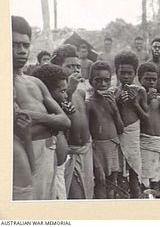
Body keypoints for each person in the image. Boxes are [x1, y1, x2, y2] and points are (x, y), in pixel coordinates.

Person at [12, 15, 70, 200]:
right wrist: (51, 122)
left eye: (25, 45)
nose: (21, 50)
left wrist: (36, 117)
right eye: (14, 45)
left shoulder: (35, 82)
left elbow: (65, 121)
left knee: (48, 202)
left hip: (48, 151)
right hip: (23, 155)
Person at [51, 44, 94, 199]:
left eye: (78, 66)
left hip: (86, 149)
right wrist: (68, 91)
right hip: (69, 152)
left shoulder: (81, 92)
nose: (76, 70)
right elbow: (63, 121)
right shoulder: (54, 93)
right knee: (75, 196)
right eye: (70, 66)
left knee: (87, 193)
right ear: (58, 67)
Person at [32, 64, 74, 199]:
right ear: (46, 93)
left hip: (56, 174)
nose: (66, 95)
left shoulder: (55, 115)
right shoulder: (41, 118)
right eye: (62, 91)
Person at [86, 61, 124, 199]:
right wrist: (95, 160)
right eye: (98, 80)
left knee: (112, 183)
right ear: (91, 82)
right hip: (98, 149)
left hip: (113, 146)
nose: (102, 84)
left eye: (106, 80)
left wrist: (114, 109)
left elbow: (120, 129)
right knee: (100, 182)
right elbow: (88, 135)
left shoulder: (112, 101)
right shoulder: (89, 104)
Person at [114, 50, 149, 198]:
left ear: (135, 73)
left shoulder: (140, 91)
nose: (126, 76)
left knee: (135, 170)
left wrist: (135, 103)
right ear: (117, 72)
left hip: (133, 136)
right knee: (119, 172)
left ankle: (136, 199)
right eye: (122, 73)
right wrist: (118, 102)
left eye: (129, 73)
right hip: (118, 135)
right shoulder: (113, 92)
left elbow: (147, 118)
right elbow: (111, 116)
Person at [137, 62, 160, 190]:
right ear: (140, 79)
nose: (151, 82)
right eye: (147, 79)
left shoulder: (159, 99)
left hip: (159, 142)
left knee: (157, 176)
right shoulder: (137, 98)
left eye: (154, 79)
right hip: (145, 143)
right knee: (145, 178)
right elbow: (139, 118)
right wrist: (147, 100)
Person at [13, 88, 34, 200]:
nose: (17, 107)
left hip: (26, 195)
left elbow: (32, 170)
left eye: (16, 101)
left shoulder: (15, 136)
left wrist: (27, 135)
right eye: (12, 101)